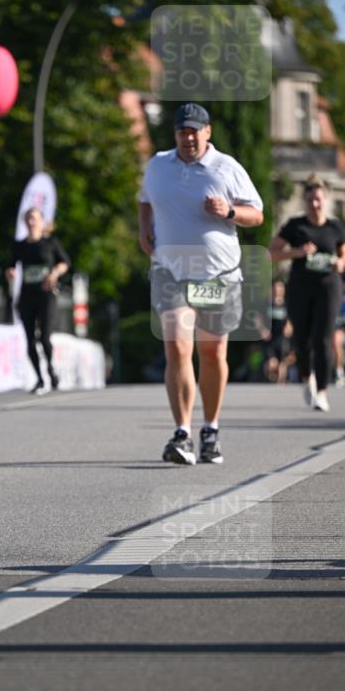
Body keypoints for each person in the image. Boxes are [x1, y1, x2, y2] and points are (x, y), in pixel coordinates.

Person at [138, 102, 264, 465]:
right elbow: (146, 200)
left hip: (217, 274)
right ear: (175, 133)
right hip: (171, 271)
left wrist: (228, 212)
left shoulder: (227, 168)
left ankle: (210, 427)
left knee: (212, 354)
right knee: (177, 347)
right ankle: (182, 433)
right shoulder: (159, 165)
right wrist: (144, 227)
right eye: (182, 131)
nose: (188, 137)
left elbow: (256, 214)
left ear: (207, 132)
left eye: (194, 131)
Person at [268, 174, 345, 411]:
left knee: (323, 338)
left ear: (325, 200)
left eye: (318, 199)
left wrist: (340, 264)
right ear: (305, 200)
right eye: (310, 199)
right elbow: (272, 252)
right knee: (302, 339)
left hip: (328, 288)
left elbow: (344, 256)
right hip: (300, 289)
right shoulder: (295, 226)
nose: (314, 204)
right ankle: (306, 377)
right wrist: (297, 252)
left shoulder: (334, 227)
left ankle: (322, 390)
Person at [6, 207, 69, 394]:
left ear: (42, 222)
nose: (31, 222)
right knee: (29, 339)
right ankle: (40, 379)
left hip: (46, 295)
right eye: (28, 219)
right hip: (27, 295)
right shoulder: (20, 245)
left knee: (44, 337)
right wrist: (10, 271)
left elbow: (64, 262)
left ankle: (50, 369)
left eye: (34, 218)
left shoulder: (50, 243)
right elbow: (10, 264)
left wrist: (55, 273)